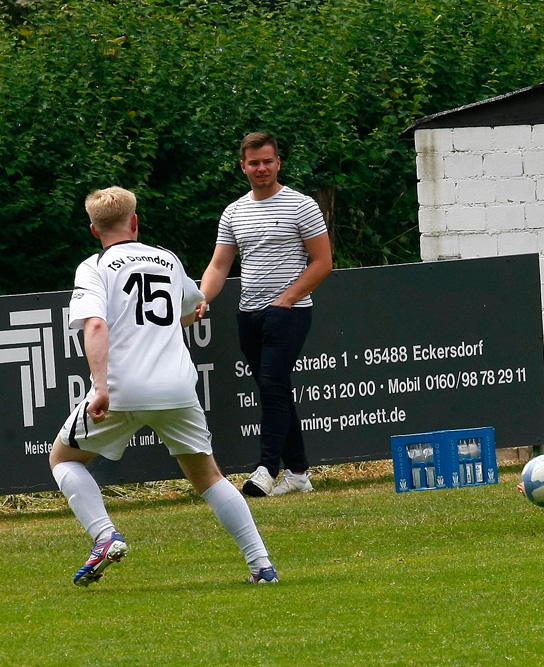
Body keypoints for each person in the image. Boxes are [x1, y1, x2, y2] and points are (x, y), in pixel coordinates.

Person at [49, 187, 277, 586]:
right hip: (176, 388)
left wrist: (100, 387)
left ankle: (105, 536)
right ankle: (262, 566)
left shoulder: (94, 266)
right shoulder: (166, 259)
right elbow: (192, 308)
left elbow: (96, 324)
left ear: (93, 230)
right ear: (135, 222)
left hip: (124, 387)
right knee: (209, 478)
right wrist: (194, 307)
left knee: (64, 460)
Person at [198, 132, 333, 497]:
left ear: (278, 163)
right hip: (249, 314)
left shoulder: (301, 205)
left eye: (268, 161)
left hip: (289, 312)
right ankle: (300, 473)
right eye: (254, 163)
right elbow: (219, 265)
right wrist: (202, 297)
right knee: (275, 392)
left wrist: (287, 299)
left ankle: (266, 469)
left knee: (273, 386)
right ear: (243, 166)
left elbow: (322, 262)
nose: (261, 168)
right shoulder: (235, 211)